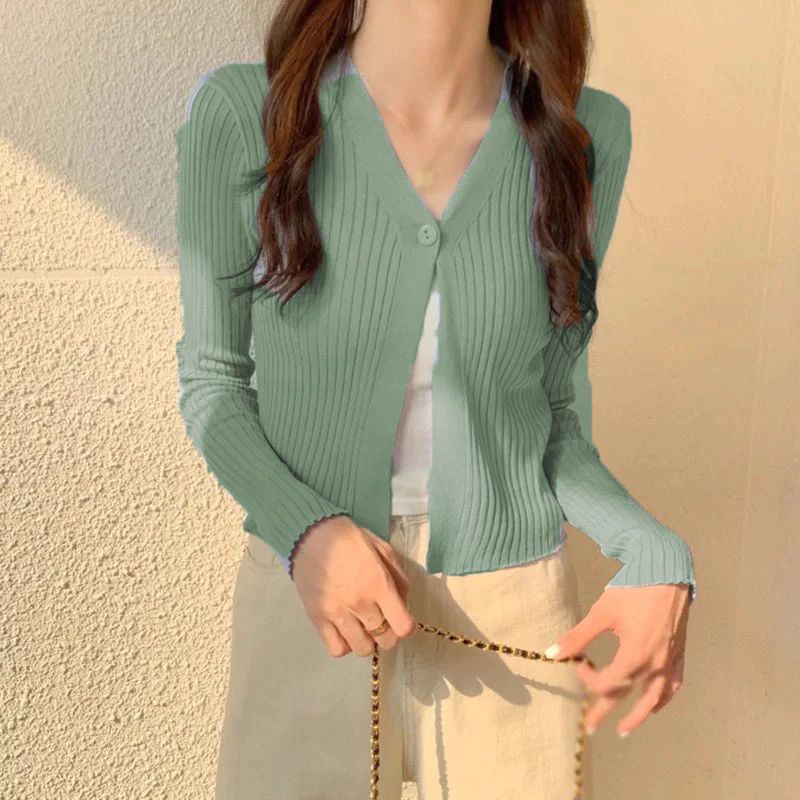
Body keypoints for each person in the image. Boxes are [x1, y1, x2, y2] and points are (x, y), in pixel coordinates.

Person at [175, 1, 697, 797]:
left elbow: (552, 414)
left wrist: (654, 550)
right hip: (313, 600)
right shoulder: (249, 115)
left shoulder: (584, 134)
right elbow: (213, 383)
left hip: (513, 612)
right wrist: (306, 530)